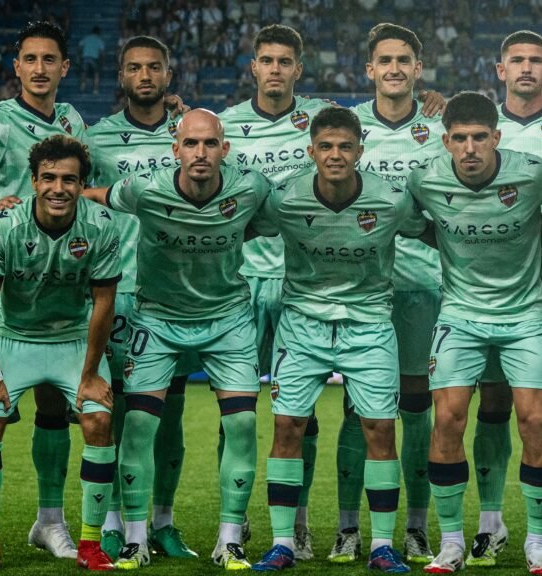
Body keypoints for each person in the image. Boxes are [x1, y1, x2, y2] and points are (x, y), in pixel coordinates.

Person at [83, 109, 271, 571]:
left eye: (209, 144)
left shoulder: (251, 187)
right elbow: (93, 194)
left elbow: (272, 220)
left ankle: (230, 539)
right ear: (176, 150)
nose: (200, 153)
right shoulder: (145, 188)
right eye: (191, 144)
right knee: (140, 426)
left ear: (225, 149)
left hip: (227, 320)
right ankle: (133, 538)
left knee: (243, 426)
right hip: (157, 320)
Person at [250, 106, 427, 573]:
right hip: (302, 324)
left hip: (369, 325)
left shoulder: (391, 200)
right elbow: (239, 225)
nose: (335, 155)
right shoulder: (283, 197)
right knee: (287, 427)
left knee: (380, 430)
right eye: (325, 147)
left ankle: (382, 546)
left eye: (345, 147)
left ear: (360, 151)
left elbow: (434, 232)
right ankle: (284, 542)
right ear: (311, 151)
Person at [407, 92, 542, 574]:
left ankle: (538, 543)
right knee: (448, 420)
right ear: (445, 140)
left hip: (527, 315)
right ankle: (451, 543)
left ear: (496, 137)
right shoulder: (424, 178)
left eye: (479, 137)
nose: (470, 148)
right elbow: (415, 226)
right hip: (461, 314)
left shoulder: (535, 173)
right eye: (460, 139)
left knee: (536, 421)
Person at [0, 20, 87, 563]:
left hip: (59, 286)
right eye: (29, 59)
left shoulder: (73, 121)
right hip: (4, 283)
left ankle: (49, 522)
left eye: (49, 59)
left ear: (63, 68)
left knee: (55, 406)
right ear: (17, 67)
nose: (39, 68)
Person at [0, 135, 121, 571]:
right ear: (33, 181)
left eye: (69, 179)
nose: (58, 188)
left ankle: (90, 544)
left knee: (99, 419)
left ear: (81, 183)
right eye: (48, 178)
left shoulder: (102, 225)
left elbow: (104, 302)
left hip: (72, 339)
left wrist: (90, 374)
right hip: (15, 337)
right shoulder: (3, 225)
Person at [218, 25, 336, 560]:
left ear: (298, 69)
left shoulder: (320, 118)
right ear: (253, 67)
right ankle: (234, 524)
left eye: (285, 61)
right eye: (266, 60)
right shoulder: (224, 126)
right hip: (240, 285)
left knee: (300, 415)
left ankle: (301, 522)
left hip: (299, 285)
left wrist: (431, 102)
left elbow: (388, 118)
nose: (275, 69)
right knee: (236, 411)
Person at [329, 22, 444, 565]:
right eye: (385, 60)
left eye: (405, 60)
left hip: (426, 287)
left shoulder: (444, 126)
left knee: (419, 412)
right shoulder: (345, 128)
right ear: (369, 69)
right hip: (360, 291)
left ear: (418, 70)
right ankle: (348, 528)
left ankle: (417, 527)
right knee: (358, 412)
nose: (395, 68)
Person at [470, 30, 542, 567]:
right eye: (515, 59)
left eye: (535, 60)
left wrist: (519, 223)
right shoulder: (477, 129)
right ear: (499, 69)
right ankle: (490, 524)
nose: (525, 68)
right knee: (491, 405)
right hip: (485, 288)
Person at [84, 35, 194, 562]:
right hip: (115, 293)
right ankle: (111, 522)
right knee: (114, 414)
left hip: (172, 299)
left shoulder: (191, 132)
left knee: (169, 417)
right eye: (134, 68)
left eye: (154, 67)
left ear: (168, 74)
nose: (145, 76)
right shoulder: (97, 138)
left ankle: (164, 523)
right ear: (121, 76)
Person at [80, 26, 106, 94]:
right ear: (99, 32)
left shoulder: (86, 38)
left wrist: (79, 57)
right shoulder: (99, 40)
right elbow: (102, 52)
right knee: (96, 73)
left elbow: (80, 47)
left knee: (84, 72)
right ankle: (95, 89)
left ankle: (82, 86)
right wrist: (102, 61)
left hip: (85, 58)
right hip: (94, 59)